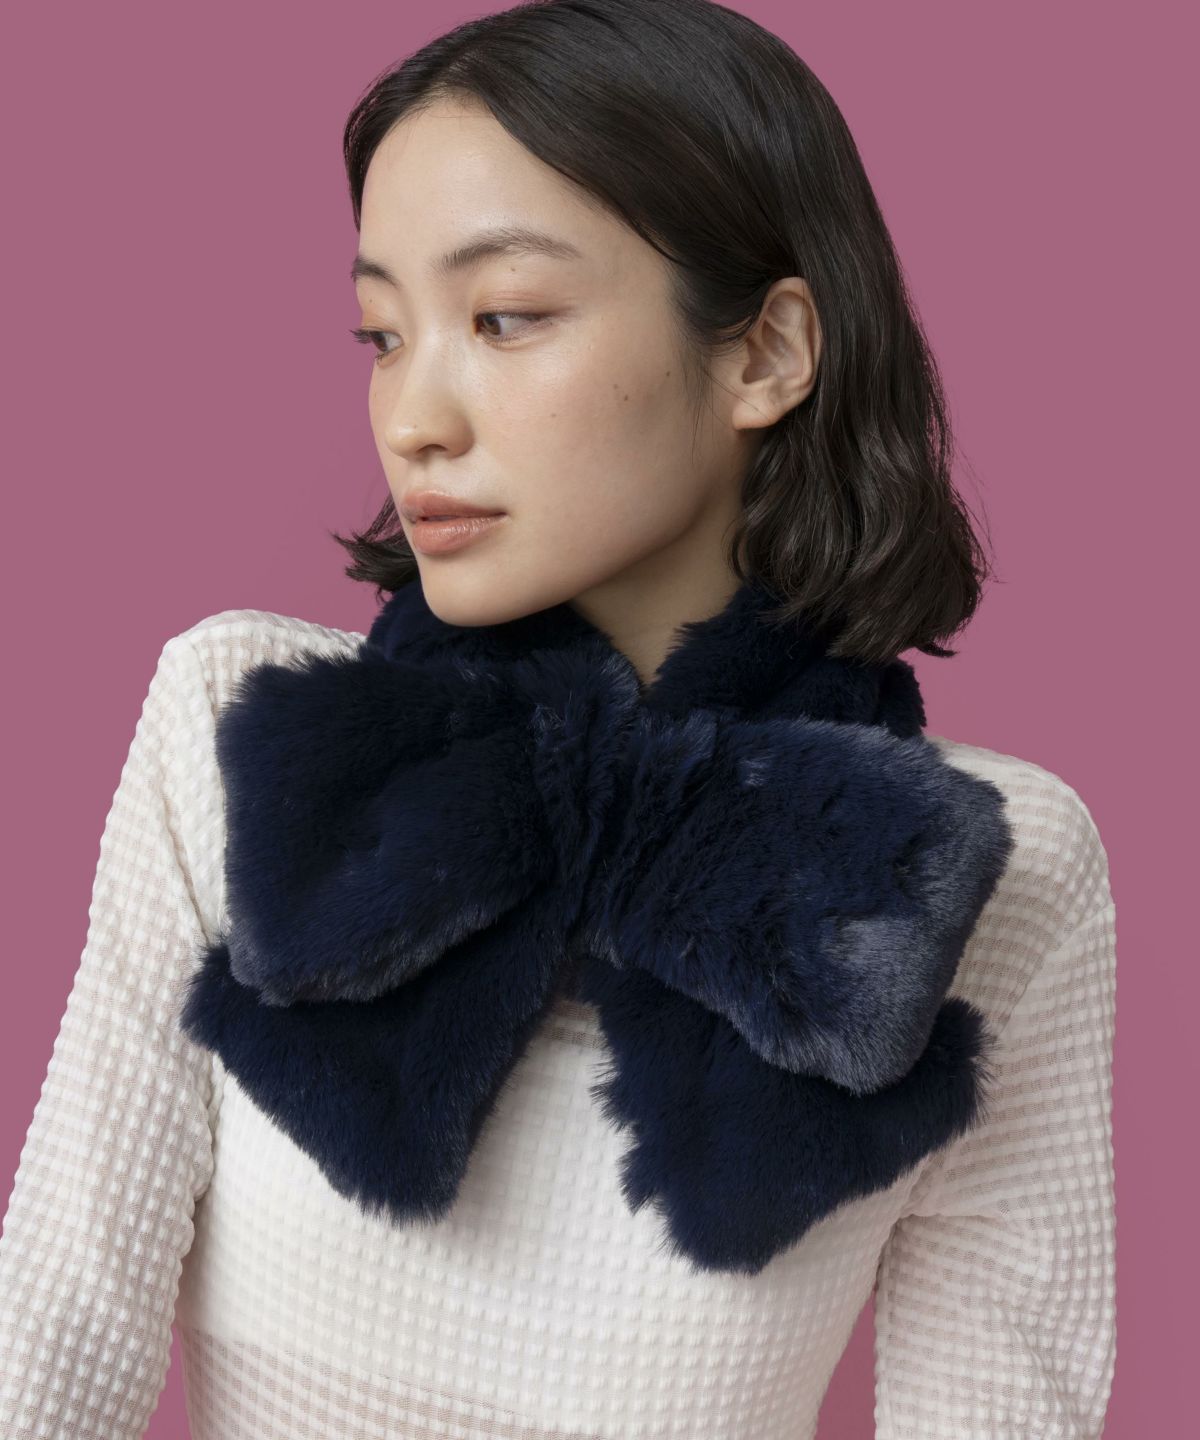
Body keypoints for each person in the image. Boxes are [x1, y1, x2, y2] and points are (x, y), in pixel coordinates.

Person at [0, 2, 1117, 1437]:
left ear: (768, 354)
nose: (413, 416)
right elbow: (50, 1341)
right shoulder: (240, 723)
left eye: (503, 318)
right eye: (383, 334)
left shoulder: (986, 865)